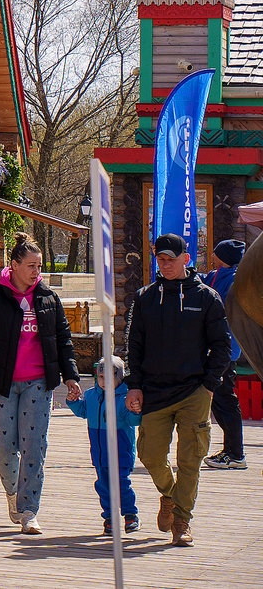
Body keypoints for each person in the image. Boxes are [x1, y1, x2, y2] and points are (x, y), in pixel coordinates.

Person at [125, 232, 232, 547]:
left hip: (193, 391)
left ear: (186, 259)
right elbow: (134, 346)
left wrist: (209, 386)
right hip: (154, 392)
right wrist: (134, 385)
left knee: (191, 458)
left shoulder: (207, 297)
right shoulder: (145, 297)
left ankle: (182, 521)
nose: (166, 264)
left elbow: (222, 347)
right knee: (149, 453)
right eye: (161, 258)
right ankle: (170, 495)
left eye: (171, 258)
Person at [0, 234, 82, 536]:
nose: (36, 272)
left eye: (40, 266)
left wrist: (70, 376)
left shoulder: (48, 298)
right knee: (4, 447)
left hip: (38, 383)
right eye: (31, 265)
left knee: (34, 448)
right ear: (14, 265)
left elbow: (63, 340)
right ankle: (13, 494)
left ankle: (29, 511)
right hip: (2, 384)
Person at [66, 355, 141, 535]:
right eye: (101, 377)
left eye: (110, 377)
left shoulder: (125, 397)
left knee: (122, 484)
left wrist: (136, 411)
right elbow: (83, 411)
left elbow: (133, 420)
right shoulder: (92, 395)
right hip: (100, 452)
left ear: (120, 377)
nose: (105, 381)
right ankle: (109, 517)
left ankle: (130, 514)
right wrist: (73, 402)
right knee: (103, 485)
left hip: (120, 450)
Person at [200, 238, 248, 470]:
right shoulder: (217, 274)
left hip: (226, 349)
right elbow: (202, 284)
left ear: (225, 257)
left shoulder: (234, 280)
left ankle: (235, 454)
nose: (212, 254)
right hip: (214, 348)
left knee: (225, 401)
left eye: (217, 252)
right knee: (220, 403)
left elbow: (216, 303)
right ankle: (231, 451)